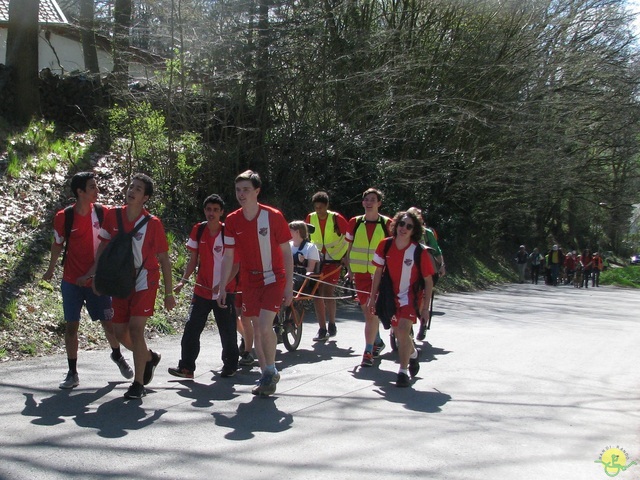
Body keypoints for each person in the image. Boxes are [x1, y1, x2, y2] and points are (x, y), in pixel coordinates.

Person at [80, 173, 176, 399]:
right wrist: (96, 277)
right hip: (118, 280)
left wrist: (169, 293)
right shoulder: (113, 215)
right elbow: (102, 249)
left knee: (135, 329)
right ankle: (149, 357)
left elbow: (164, 260)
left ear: (146, 197)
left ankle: (138, 384)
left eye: (138, 189)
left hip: (145, 280)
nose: (132, 191)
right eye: (131, 186)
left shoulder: (153, 224)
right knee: (120, 333)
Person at [43, 172, 133, 389]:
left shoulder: (104, 213)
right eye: (92, 187)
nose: (97, 190)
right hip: (71, 281)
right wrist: (50, 269)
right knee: (71, 327)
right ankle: (72, 372)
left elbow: (127, 218)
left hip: (97, 281)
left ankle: (117, 355)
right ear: (80, 192)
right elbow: (57, 245)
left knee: (108, 323)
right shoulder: (65, 216)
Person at [217, 170, 293, 397]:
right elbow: (228, 256)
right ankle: (268, 372)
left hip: (273, 277)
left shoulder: (273, 216)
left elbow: (286, 252)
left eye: (246, 190)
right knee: (255, 328)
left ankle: (269, 371)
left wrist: (289, 285)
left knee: (262, 325)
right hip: (250, 280)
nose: (241, 194)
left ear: (257, 191)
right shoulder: (231, 220)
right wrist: (222, 286)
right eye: (238, 190)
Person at [169, 194, 240, 379]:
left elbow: (236, 265)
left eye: (216, 210)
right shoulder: (198, 230)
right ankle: (186, 368)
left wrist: (222, 285)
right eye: (209, 209)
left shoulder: (228, 233)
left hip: (225, 291)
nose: (212, 213)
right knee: (192, 327)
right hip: (202, 290)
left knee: (227, 330)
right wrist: (183, 281)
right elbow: (193, 260)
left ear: (222, 213)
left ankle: (231, 365)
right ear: (204, 211)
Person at [368, 210, 435, 387]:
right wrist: (372, 297)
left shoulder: (419, 251)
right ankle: (413, 355)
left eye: (409, 226)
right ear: (396, 225)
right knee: (399, 334)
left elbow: (428, 281)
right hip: (390, 296)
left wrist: (425, 308)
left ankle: (403, 372)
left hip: (410, 298)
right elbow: (378, 272)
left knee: (404, 330)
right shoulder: (385, 245)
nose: (403, 228)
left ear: (414, 230)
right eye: (401, 224)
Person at [345, 188, 392, 367]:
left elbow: (393, 249)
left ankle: (368, 351)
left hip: (380, 275)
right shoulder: (355, 222)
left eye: (373, 199)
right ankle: (377, 341)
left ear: (379, 203)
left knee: (372, 313)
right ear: (363, 202)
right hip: (360, 274)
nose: (369, 202)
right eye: (366, 199)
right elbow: (348, 249)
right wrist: (348, 269)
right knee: (368, 313)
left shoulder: (388, 223)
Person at [305, 191, 349, 341]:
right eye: (316, 207)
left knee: (328, 292)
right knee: (317, 294)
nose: (319, 211)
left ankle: (332, 323)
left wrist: (346, 257)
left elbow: (349, 237)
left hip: (334, 259)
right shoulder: (310, 218)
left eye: (321, 208)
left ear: (327, 206)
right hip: (317, 260)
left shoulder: (336, 218)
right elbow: (306, 238)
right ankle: (322, 328)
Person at [407, 207, 445, 341]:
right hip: (408, 269)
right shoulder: (403, 230)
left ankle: (423, 320)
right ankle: (407, 324)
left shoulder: (427, 233)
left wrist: (441, 265)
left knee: (423, 296)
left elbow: (436, 250)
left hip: (426, 270)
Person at [288, 220, 321, 295]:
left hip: (303, 279)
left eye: (290, 230)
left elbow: (310, 269)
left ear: (297, 232)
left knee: (289, 283)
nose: (287, 232)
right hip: (288, 275)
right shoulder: (288, 246)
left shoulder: (310, 247)